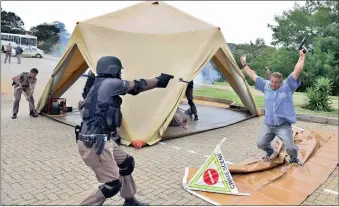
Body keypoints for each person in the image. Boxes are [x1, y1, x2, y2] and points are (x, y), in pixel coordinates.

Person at [75, 56, 173, 206]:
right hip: (95, 144)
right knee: (112, 185)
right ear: (113, 70)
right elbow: (138, 85)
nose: (120, 74)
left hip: (101, 140)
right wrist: (159, 80)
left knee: (127, 164)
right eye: (118, 71)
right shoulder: (110, 83)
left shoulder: (98, 85)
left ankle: (130, 201)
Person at [240, 50, 305, 165]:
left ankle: (294, 158)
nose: (273, 84)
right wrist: (245, 65)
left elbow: (297, 70)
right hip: (269, 124)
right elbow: (252, 75)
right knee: (260, 143)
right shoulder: (266, 85)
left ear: (281, 82)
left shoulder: (287, 86)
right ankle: (270, 151)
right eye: (272, 82)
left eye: (276, 82)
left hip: (283, 125)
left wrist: (301, 57)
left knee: (290, 148)